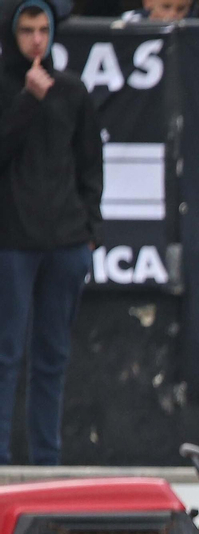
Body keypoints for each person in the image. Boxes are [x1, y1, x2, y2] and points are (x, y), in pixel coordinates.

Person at [0, 0, 100, 467]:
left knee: (52, 358)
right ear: (12, 33)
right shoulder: (7, 88)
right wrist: (26, 101)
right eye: (27, 30)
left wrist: (89, 230)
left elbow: (90, 164)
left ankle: (46, 462)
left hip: (65, 243)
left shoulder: (72, 90)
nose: (36, 39)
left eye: (43, 29)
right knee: (6, 356)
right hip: (12, 244)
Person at [120, 0, 190, 19]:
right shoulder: (129, 22)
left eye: (181, 9)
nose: (173, 14)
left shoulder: (192, 34)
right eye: (166, 7)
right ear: (148, 2)